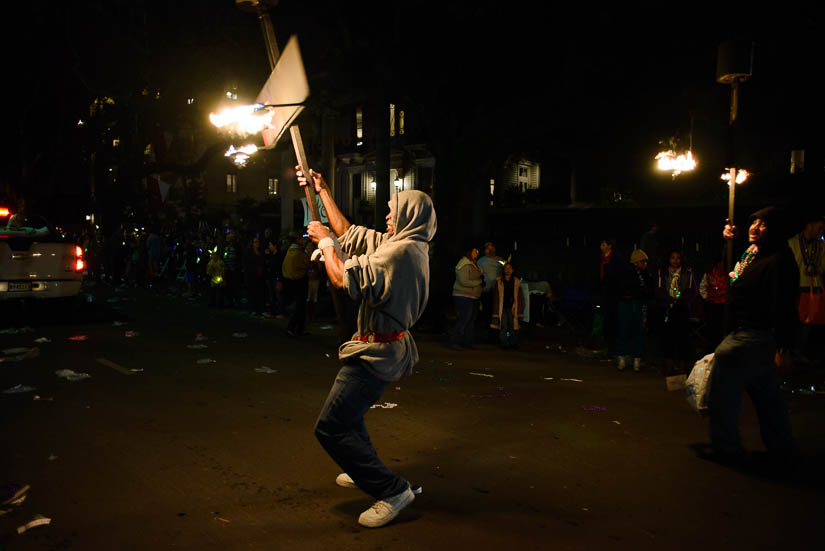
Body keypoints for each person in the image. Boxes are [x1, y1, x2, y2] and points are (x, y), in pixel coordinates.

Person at [299, 165, 436, 528]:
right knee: (350, 415)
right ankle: (366, 470)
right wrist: (323, 190)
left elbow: (343, 277)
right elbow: (350, 232)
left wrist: (326, 245)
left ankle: (392, 490)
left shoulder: (401, 254)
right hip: (379, 348)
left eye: (394, 209)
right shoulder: (403, 243)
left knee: (330, 426)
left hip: (376, 354)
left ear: (409, 215)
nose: (387, 214)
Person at [707, 207, 798, 465]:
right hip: (746, 333)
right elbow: (734, 274)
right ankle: (783, 449)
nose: (755, 227)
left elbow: (785, 305)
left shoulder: (780, 259)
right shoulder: (751, 253)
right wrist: (727, 241)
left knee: (723, 393)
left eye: (763, 224)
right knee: (767, 396)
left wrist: (785, 348)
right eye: (753, 222)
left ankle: (727, 448)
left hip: (754, 336)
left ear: (775, 229)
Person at [787, 213, 825, 368]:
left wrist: (815, 267)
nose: (821, 231)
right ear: (809, 225)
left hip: (814, 287)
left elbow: (823, 267)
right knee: (794, 320)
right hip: (796, 287)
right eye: (820, 227)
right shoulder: (793, 242)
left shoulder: (821, 246)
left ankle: (799, 351)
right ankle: (788, 352)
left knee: (808, 322)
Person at [654, 249, 697, 375]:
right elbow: (659, 289)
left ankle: (682, 368)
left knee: (682, 339)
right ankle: (669, 367)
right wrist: (669, 300)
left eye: (678, 258)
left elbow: (692, 291)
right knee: (668, 339)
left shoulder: (687, 273)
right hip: (667, 309)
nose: (675, 260)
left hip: (682, 309)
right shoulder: (662, 272)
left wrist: (680, 300)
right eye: (673, 257)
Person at [616, 249, 654, 371]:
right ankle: (624, 356)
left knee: (638, 330)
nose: (645, 264)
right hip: (628, 305)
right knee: (625, 329)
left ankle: (635, 357)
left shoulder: (645, 274)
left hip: (638, 305)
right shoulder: (627, 274)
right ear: (637, 262)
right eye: (643, 262)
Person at [448, 244, 483, 350]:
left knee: (470, 320)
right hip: (463, 296)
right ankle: (454, 341)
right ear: (469, 252)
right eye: (475, 250)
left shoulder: (473, 264)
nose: (477, 253)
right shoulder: (463, 264)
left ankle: (467, 342)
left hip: (473, 296)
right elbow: (463, 281)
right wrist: (478, 282)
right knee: (463, 319)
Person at [598, 238, 626, 359]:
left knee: (613, 319)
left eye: (603, 244)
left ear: (609, 246)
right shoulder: (601, 258)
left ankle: (613, 347)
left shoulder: (616, 258)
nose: (601, 246)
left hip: (613, 293)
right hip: (604, 291)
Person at [281, 231, 311, 337]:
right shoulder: (299, 253)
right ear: (297, 240)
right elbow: (308, 264)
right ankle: (293, 327)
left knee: (299, 306)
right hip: (299, 282)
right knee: (300, 307)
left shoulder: (289, 251)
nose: (303, 240)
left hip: (291, 282)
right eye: (301, 238)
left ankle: (298, 328)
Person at [490, 262, 525, 348]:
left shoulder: (516, 282)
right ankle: (504, 343)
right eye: (506, 268)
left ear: (513, 270)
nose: (508, 270)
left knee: (513, 326)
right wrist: (495, 311)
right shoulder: (499, 281)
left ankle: (513, 342)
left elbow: (520, 297)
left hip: (513, 307)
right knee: (503, 325)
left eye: (510, 268)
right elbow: (495, 297)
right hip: (502, 307)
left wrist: (520, 310)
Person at [698, 254, 728, 349]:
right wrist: (707, 298)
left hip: (723, 304)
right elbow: (703, 287)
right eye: (720, 263)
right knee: (711, 327)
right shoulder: (709, 275)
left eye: (723, 263)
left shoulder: (728, 275)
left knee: (721, 326)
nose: (721, 265)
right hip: (711, 304)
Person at [477, 242, 504, 339]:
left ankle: (496, 334)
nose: (490, 249)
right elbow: (477, 273)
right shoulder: (481, 261)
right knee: (486, 312)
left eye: (492, 247)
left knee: (496, 313)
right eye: (488, 248)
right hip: (486, 292)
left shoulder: (500, 260)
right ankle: (486, 334)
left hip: (497, 292)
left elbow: (506, 267)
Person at [244, 236, 266, 317]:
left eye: (258, 242)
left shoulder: (261, 251)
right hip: (252, 275)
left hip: (260, 275)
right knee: (252, 293)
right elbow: (247, 264)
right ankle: (252, 309)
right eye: (255, 242)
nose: (257, 243)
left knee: (260, 293)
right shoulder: (249, 252)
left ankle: (259, 309)